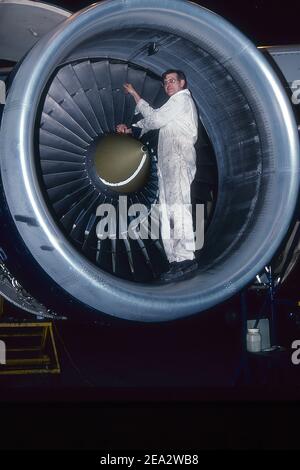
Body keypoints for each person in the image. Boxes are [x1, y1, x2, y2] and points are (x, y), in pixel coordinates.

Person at [117, 70, 198, 281]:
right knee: (167, 211)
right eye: (166, 82)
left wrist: (135, 97)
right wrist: (132, 130)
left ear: (182, 82)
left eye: (172, 81)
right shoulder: (172, 105)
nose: (168, 84)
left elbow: (155, 120)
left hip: (178, 159)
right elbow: (154, 118)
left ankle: (186, 258)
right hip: (168, 162)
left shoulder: (182, 100)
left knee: (179, 207)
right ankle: (175, 261)